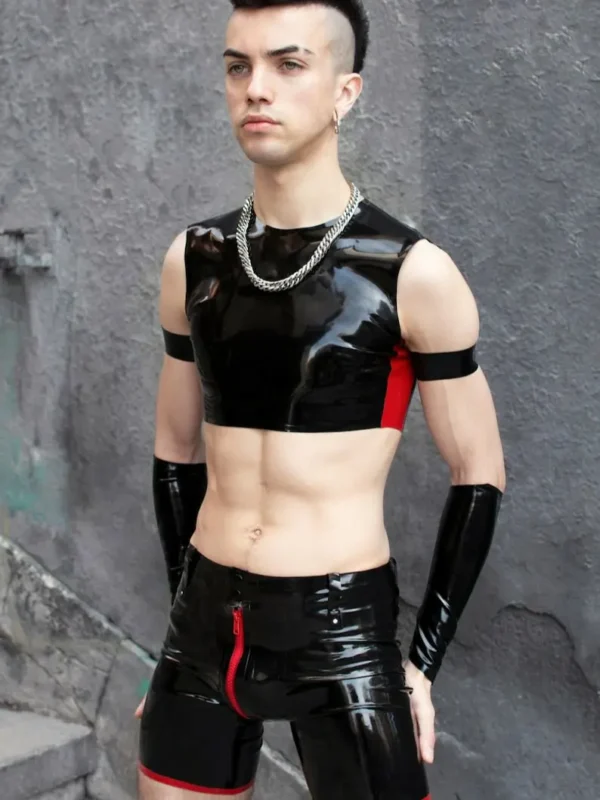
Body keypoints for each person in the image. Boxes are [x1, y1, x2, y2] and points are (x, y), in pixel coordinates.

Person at [136, 0, 506, 798]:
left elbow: (478, 473)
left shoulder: (409, 271)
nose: (255, 88)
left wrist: (421, 665)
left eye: (288, 64)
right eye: (238, 66)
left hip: (340, 633)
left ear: (345, 92)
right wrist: (181, 623)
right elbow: (175, 452)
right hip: (203, 628)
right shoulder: (193, 258)